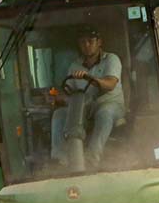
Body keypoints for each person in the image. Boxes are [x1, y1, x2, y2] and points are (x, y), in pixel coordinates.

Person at [50, 28, 125, 168]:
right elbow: (68, 91)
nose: (86, 45)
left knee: (105, 113)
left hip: (110, 104)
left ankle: (91, 159)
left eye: (90, 41)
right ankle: (60, 159)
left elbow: (110, 84)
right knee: (59, 114)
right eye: (82, 42)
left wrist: (90, 78)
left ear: (99, 42)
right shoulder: (75, 65)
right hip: (84, 108)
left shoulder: (111, 59)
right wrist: (55, 98)